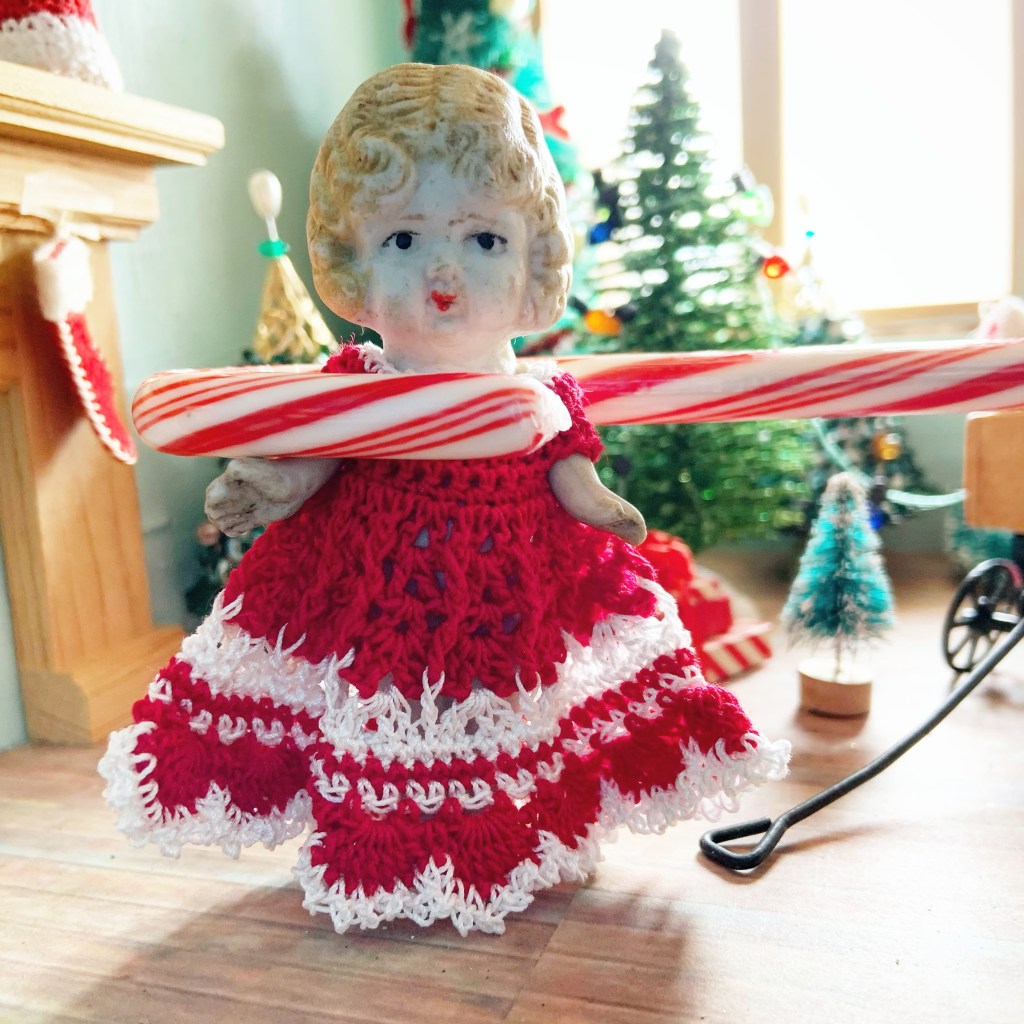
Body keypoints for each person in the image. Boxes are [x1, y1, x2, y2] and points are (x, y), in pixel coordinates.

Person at [100, 62, 789, 936]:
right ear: (350, 259)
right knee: (396, 718)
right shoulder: (357, 384)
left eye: (484, 240)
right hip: (377, 592)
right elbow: (311, 458)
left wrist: (599, 506)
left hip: (512, 585)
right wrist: (269, 484)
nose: (443, 271)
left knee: (519, 714)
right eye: (402, 239)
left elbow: (568, 462)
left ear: (536, 256)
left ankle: (524, 830)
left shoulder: (536, 391)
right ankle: (396, 844)